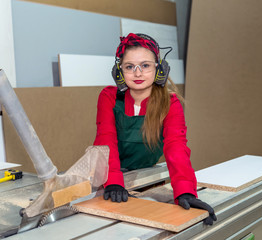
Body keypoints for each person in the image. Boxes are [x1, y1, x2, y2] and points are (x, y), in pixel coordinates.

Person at [93, 33, 217, 225]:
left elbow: (176, 147)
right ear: (119, 72)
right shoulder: (108, 97)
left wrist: (185, 190)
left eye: (145, 65)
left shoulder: (170, 103)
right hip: (110, 176)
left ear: (159, 69)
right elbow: (105, 139)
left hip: (146, 176)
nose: (137, 73)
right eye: (129, 66)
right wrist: (113, 181)